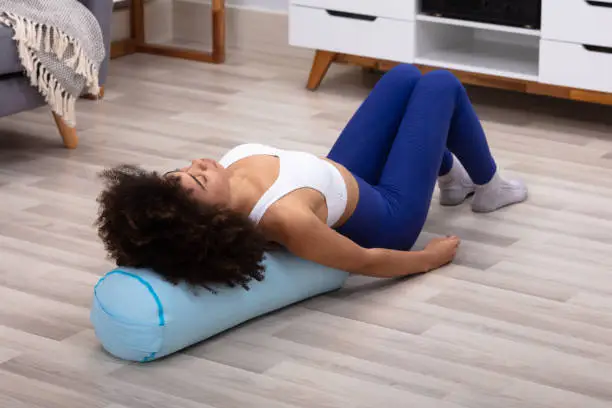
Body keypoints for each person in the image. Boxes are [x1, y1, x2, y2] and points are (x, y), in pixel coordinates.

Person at [96, 65, 527, 291]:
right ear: (215, 217)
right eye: (199, 180)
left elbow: (304, 172)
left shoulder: (230, 171)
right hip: (391, 213)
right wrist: (432, 257)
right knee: (440, 86)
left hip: (343, 175)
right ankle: (490, 188)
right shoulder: (285, 218)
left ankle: (451, 180)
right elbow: (365, 262)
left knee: (403, 78)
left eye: (185, 169)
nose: (200, 164)